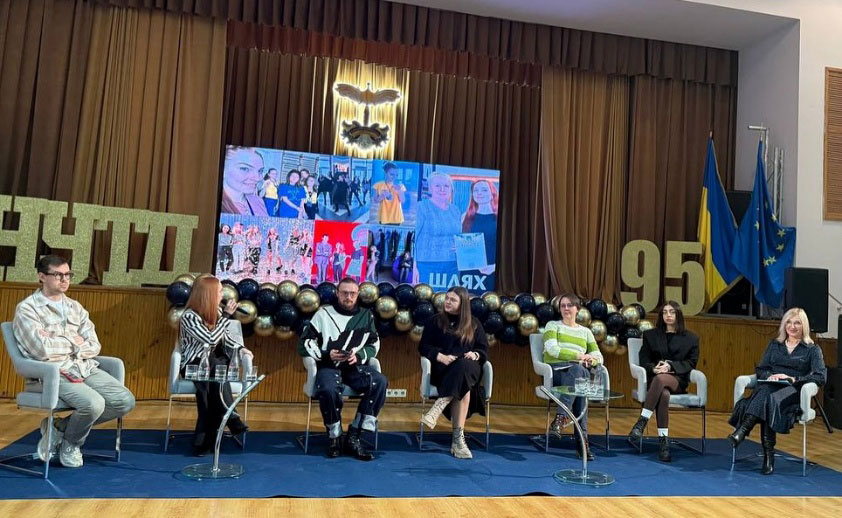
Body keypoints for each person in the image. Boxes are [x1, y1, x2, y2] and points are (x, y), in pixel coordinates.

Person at [12, 255, 136, 468]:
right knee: (93, 404)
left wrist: (58, 339)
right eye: (58, 275)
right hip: (52, 372)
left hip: (83, 366)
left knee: (125, 401)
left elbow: (94, 345)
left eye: (68, 274)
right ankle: (71, 444)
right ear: (41, 276)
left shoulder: (75, 307)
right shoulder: (28, 309)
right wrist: (75, 341)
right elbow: (42, 350)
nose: (64, 279)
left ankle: (60, 428)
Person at [727, 307, 826, 475]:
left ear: (804, 326)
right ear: (784, 325)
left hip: (792, 391)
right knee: (767, 394)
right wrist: (771, 376)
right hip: (770, 387)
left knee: (768, 398)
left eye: (797, 323)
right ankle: (768, 457)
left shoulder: (812, 349)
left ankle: (743, 431)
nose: (792, 326)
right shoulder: (774, 345)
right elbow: (761, 369)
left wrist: (793, 379)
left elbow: (820, 376)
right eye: (789, 322)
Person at [298, 278, 387, 460]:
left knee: (380, 382)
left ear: (357, 295)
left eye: (352, 293)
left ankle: (354, 435)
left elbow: (373, 343)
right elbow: (305, 343)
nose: (348, 297)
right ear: (337, 293)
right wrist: (326, 354)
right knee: (328, 389)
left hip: (355, 367)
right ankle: (335, 437)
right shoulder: (323, 314)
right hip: (329, 366)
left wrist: (359, 356)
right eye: (345, 293)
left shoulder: (366, 316)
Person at [177, 275, 253, 456]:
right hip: (194, 364)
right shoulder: (189, 316)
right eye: (219, 292)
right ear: (208, 295)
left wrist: (241, 349)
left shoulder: (217, 312)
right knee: (217, 373)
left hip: (212, 365)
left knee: (212, 389)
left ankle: (204, 441)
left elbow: (225, 339)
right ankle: (231, 417)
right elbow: (210, 339)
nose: (222, 296)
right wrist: (226, 316)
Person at [418, 287, 488, 459]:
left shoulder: (474, 324)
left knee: (465, 365)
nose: (447, 302)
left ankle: (440, 404)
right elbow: (423, 347)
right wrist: (440, 356)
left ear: (462, 304)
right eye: (447, 298)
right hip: (444, 370)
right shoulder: (435, 321)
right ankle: (458, 440)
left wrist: (476, 354)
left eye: (452, 300)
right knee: (464, 386)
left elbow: (483, 349)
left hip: (468, 369)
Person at [627, 301, 699, 462]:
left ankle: (642, 422)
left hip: (677, 379)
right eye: (665, 312)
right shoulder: (651, 335)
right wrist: (654, 369)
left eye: (672, 312)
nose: (668, 315)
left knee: (662, 380)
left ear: (678, 315)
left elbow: (691, 363)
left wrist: (670, 366)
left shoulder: (691, 338)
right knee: (663, 395)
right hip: (655, 379)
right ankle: (663, 442)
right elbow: (644, 359)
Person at [541, 293, 602, 461]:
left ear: (577, 309)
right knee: (580, 376)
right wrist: (579, 356)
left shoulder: (586, 332)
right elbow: (552, 350)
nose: (566, 308)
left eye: (569, 305)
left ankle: (560, 419)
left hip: (577, 373)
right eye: (563, 306)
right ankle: (582, 443)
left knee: (579, 374)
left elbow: (598, 356)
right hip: (556, 373)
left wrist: (591, 360)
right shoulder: (553, 326)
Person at [414, 172, 462, 286]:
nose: (442, 189)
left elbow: (458, 235)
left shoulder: (455, 210)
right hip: (426, 264)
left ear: (451, 189)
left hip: (452, 264)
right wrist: (414, 266)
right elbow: (413, 239)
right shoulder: (421, 207)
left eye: (446, 186)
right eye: (437, 185)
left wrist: (460, 245)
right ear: (430, 188)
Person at [460, 179, 498, 288]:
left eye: (484, 190)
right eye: (476, 190)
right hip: (469, 271)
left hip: (491, 270)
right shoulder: (465, 217)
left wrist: (494, 267)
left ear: (492, 194)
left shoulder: (500, 218)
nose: (479, 193)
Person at [220, 147, 268, 216]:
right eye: (245, 169)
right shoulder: (213, 204)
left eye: (260, 171)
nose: (258, 178)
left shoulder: (258, 201)